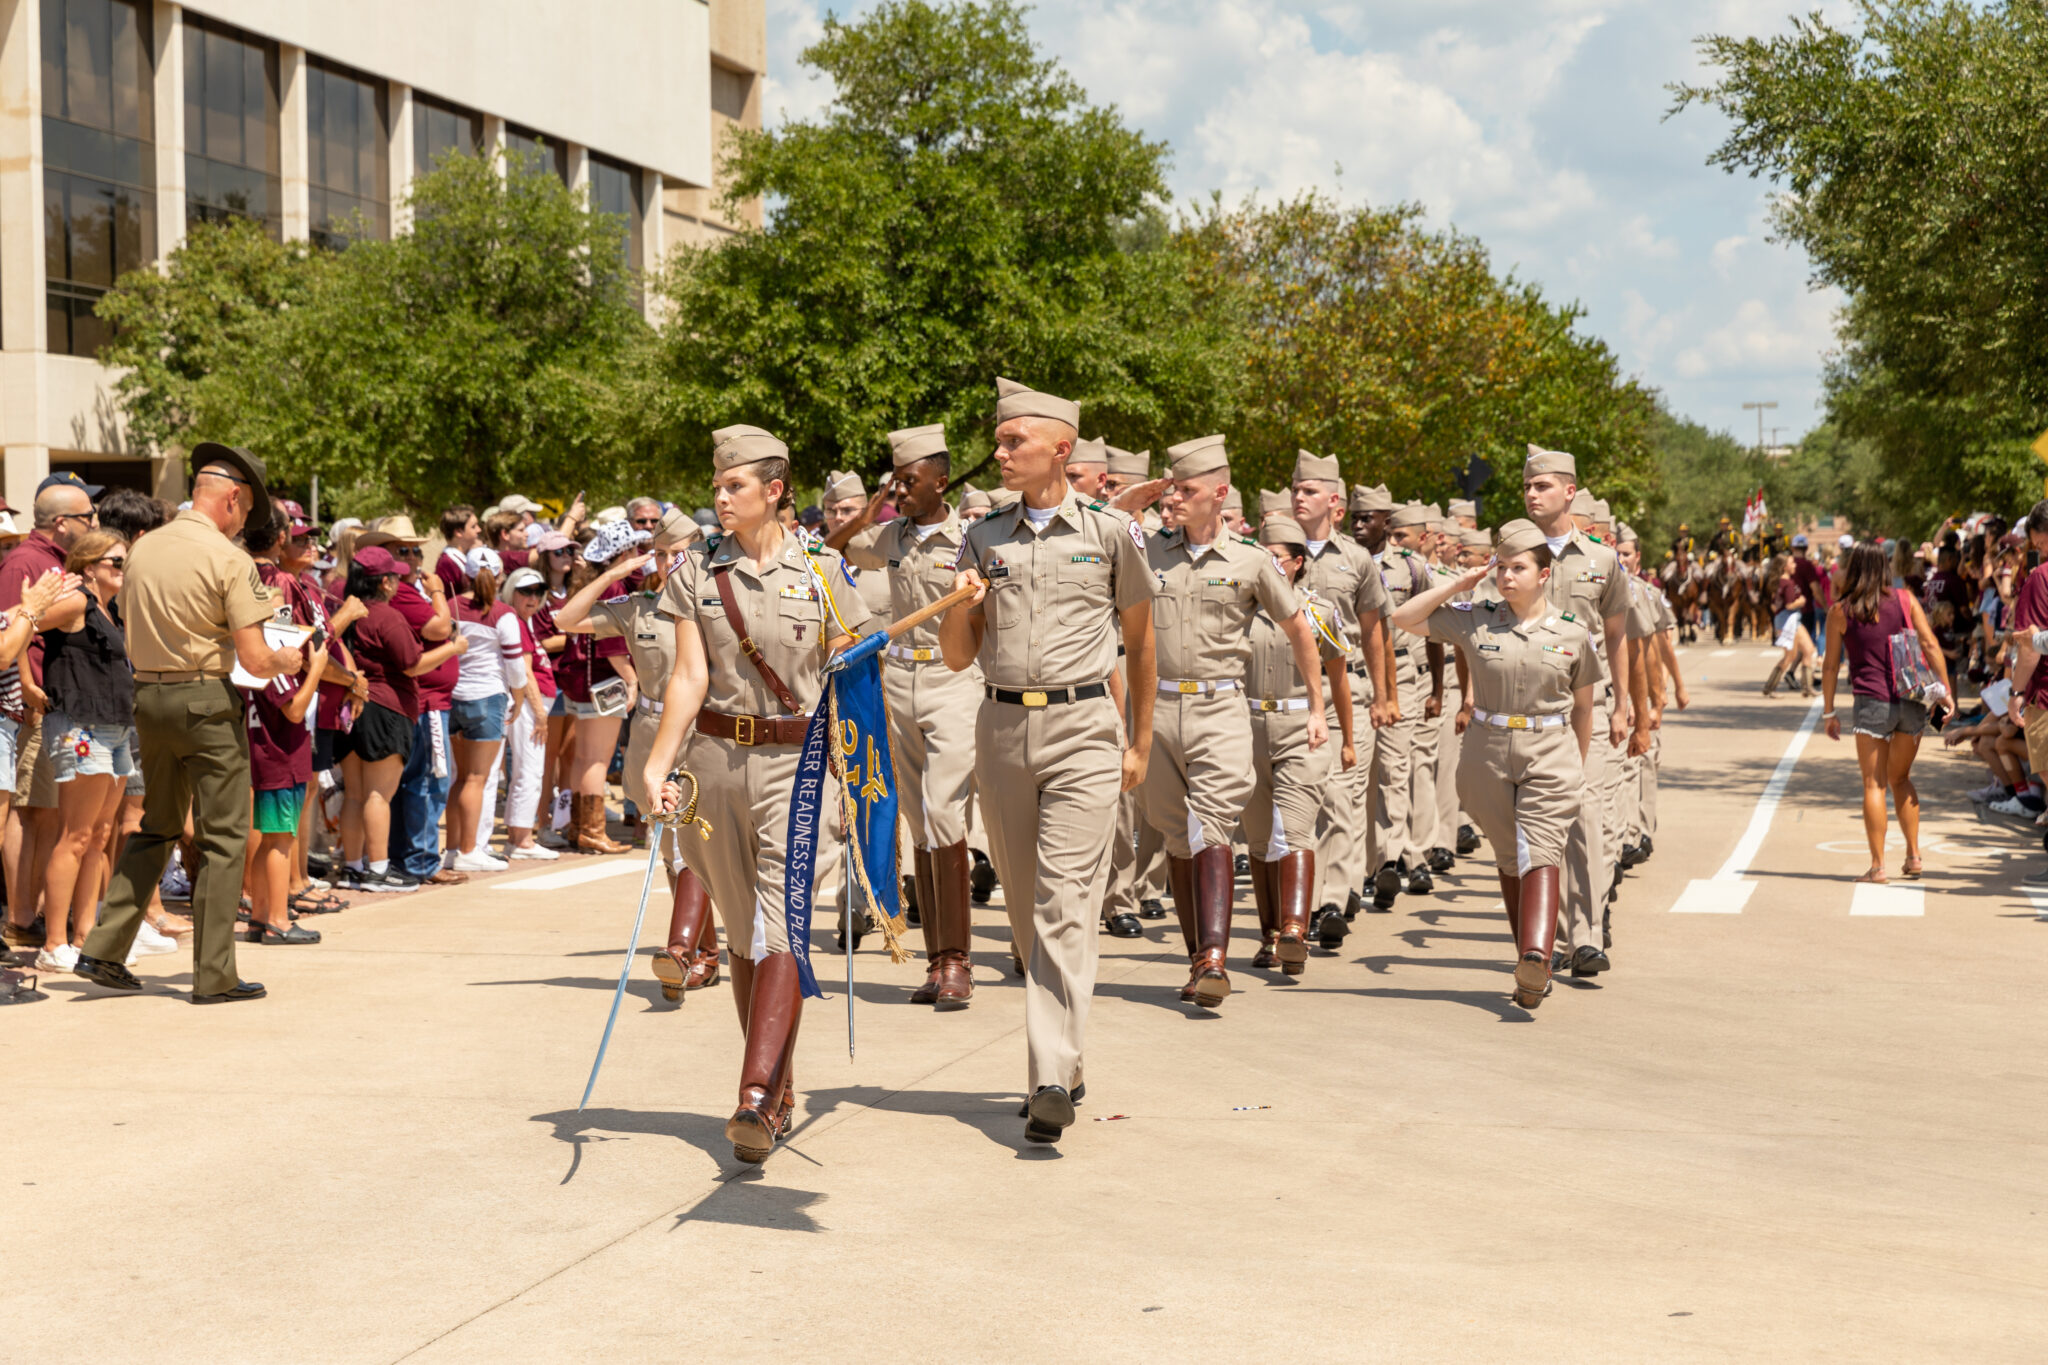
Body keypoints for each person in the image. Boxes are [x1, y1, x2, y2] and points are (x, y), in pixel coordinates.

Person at [642, 424, 873, 1166]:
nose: (720, 497)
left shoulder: (825, 570)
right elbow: (688, 677)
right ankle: (778, 1089)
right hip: (715, 764)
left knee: (781, 925)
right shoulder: (696, 573)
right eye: (716, 485)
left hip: (797, 766)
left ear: (774, 489)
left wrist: (854, 654)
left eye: (733, 485)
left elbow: (857, 663)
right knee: (744, 933)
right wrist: (658, 763)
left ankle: (753, 1094)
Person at [938, 378, 1155, 1144]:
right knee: (1030, 911)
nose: (998, 454)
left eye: (1012, 442)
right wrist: (963, 602)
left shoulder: (1108, 534)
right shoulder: (981, 537)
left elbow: (1141, 638)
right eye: (999, 442)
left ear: (1060, 448)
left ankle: (1049, 1077)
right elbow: (959, 657)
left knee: (1066, 902)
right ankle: (1069, 1045)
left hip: (1085, 728)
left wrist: (1140, 737)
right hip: (1000, 729)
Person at [72, 445, 302, 1003]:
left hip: (148, 699)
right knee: (224, 838)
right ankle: (215, 974)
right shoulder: (229, 559)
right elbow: (253, 658)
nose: (244, 522)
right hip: (204, 700)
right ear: (231, 499)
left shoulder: (144, 548)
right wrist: (287, 659)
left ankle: (103, 948)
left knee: (158, 826)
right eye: (245, 512)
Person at [1136, 435, 1322, 1006]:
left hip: (1220, 705)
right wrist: (1147, 489)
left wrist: (1317, 706)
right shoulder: (1148, 547)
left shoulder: (1251, 560)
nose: (1175, 500)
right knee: (1175, 832)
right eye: (1171, 489)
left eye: (1187, 490)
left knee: (1212, 823)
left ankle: (1214, 958)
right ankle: (1199, 959)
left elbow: (1298, 630)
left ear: (1219, 495)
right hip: (1158, 706)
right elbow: (1105, 519)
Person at [1392, 519, 1602, 1008]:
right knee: (1510, 858)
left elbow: (1585, 708)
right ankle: (1531, 962)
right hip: (1486, 750)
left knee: (1543, 851)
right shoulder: (1475, 618)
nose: (1507, 577)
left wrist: (1577, 764)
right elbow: (1403, 617)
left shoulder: (1573, 633)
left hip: (1550, 750)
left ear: (1543, 574)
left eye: (1519, 568)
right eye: (1502, 568)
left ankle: (1536, 955)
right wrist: (1458, 584)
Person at [831, 424, 986, 1008]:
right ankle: (935, 962)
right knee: (920, 819)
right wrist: (872, 505)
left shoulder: (971, 537)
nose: (900, 489)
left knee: (945, 811)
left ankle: (956, 962)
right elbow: (836, 546)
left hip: (952, 678)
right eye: (895, 480)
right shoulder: (890, 534)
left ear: (941, 482)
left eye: (910, 480)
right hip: (897, 678)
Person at [555, 509, 720, 998]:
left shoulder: (719, 603)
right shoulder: (638, 607)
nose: (672, 561)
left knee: (692, 843)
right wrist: (610, 575)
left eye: (681, 552)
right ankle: (701, 953)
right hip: (651, 731)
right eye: (664, 553)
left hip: (703, 732)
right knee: (671, 851)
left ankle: (683, 948)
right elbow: (565, 619)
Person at [1520, 444, 1630, 979]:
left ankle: (1586, 934)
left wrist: (1623, 705)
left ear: (1569, 491)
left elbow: (1616, 637)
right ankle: (1554, 935)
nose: (1532, 495)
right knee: (1544, 825)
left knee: (1585, 817)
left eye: (1542, 486)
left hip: (1587, 704)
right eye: (1527, 488)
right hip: (1532, 709)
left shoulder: (1602, 560)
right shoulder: (1515, 553)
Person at [1240, 515, 1352, 974]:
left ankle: (1294, 929)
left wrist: (1343, 736)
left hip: (1299, 728)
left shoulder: (1317, 612)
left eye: (1274, 558)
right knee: (1260, 837)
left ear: (1296, 563)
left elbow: (1339, 678)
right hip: (1245, 728)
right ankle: (1269, 937)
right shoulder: (1239, 608)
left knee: (1297, 831)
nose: (1264, 564)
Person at [1290, 458, 1392, 943]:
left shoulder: (1356, 559)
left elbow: (1374, 632)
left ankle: (1329, 902)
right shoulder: (1272, 552)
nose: (1298, 497)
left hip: (1343, 689)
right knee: (1300, 801)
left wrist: (1382, 695)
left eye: (1309, 490)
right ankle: (1304, 901)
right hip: (1285, 689)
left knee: (1339, 795)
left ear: (1335, 502)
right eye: (1295, 489)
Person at [335, 546, 466, 893]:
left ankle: (353, 867)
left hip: (353, 706)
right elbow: (412, 664)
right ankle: (378, 870)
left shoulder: (349, 610)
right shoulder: (386, 616)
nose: (399, 579)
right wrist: (452, 648)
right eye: (394, 575)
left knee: (355, 794)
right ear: (386, 582)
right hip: (385, 707)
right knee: (378, 794)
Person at [1822, 541, 1954, 883]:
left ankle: (1878, 866)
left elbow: (1831, 665)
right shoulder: (1906, 600)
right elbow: (1929, 644)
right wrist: (1946, 692)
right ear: (1885, 568)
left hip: (1871, 703)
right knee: (1901, 778)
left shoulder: (1841, 611)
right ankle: (1913, 856)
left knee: (1874, 785)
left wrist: (1828, 711)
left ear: (1853, 569)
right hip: (1911, 700)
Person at [1368, 503, 1444, 908]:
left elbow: (1433, 631)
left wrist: (1438, 688)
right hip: (1356, 675)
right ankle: (1364, 865)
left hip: (1403, 672)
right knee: (1359, 778)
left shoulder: (1413, 569)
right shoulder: (1347, 559)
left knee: (1401, 770)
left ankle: (1395, 860)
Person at [557, 523, 647, 854]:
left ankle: (581, 828)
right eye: (634, 549)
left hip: (580, 680)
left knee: (584, 757)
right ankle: (592, 831)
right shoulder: (614, 588)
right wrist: (632, 680)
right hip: (602, 683)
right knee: (597, 760)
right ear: (622, 555)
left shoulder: (591, 584)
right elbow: (613, 646)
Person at [444, 547, 522, 872]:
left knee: (460, 779)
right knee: (477, 778)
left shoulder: (449, 606)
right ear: (500, 575)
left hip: (454, 696)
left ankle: (451, 849)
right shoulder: (503, 613)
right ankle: (469, 850)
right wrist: (517, 697)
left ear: (465, 575)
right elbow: (516, 667)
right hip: (488, 697)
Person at [500, 567, 560, 861]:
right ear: (511, 591)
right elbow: (524, 672)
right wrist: (540, 714)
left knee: (529, 769)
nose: (533, 597)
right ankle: (521, 839)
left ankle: (518, 836)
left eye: (538, 592)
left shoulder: (526, 622)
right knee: (530, 770)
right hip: (529, 706)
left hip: (534, 704)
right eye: (526, 591)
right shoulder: (516, 622)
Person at [1763, 556, 1819, 697]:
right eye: (1791, 563)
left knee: (1808, 649)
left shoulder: (1780, 582)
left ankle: (1807, 687)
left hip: (1790, 620)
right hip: (1788, 621)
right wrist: (1801, 601)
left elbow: (1774, 604)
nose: (1795, 565)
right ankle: (1770, 688)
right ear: (1784, 567)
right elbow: (1789, 605)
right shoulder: (1787, 583)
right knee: (1790, 656)